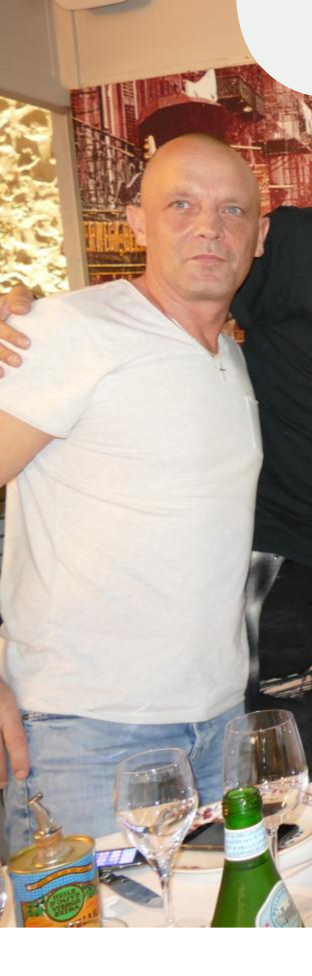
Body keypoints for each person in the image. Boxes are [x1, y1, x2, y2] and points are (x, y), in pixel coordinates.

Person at [0, 97, 312, 783]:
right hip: (281, 567)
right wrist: (29, 315)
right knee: (290, 794)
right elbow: (185, 291)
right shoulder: (307, 245)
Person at [0, 134, 268, 848]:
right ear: (137, 223)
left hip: (216, 725)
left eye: (232, 210)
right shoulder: (68, 329)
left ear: (259, 235)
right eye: (181, 205)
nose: (209, 228)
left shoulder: (230, 354)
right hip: (85, 738)